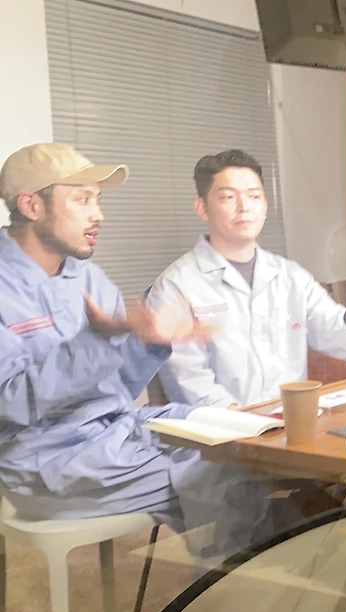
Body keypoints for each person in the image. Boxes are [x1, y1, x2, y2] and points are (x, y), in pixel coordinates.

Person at [0, 143, 270, 557]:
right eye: (82, 200)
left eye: (98, 200)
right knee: (226, 477)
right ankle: (240, 582)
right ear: (31, 206)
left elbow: (117, 390)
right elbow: (12, 403)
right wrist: (98, 340)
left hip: (118, 428)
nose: (98, 214)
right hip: (46, 458)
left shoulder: (88, 278)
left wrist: (153, 339)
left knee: (253, 443)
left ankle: (272, 559)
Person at [149, 149, 346, 409]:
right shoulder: (177, 286)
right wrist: (242, 423)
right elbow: (189, 381)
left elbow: (332, 324)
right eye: (228, 197)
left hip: (292, 424)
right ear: (201, 208)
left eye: (254, 196)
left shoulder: (290, 276)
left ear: (265, 205)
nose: (244, 207)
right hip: (221, 435)